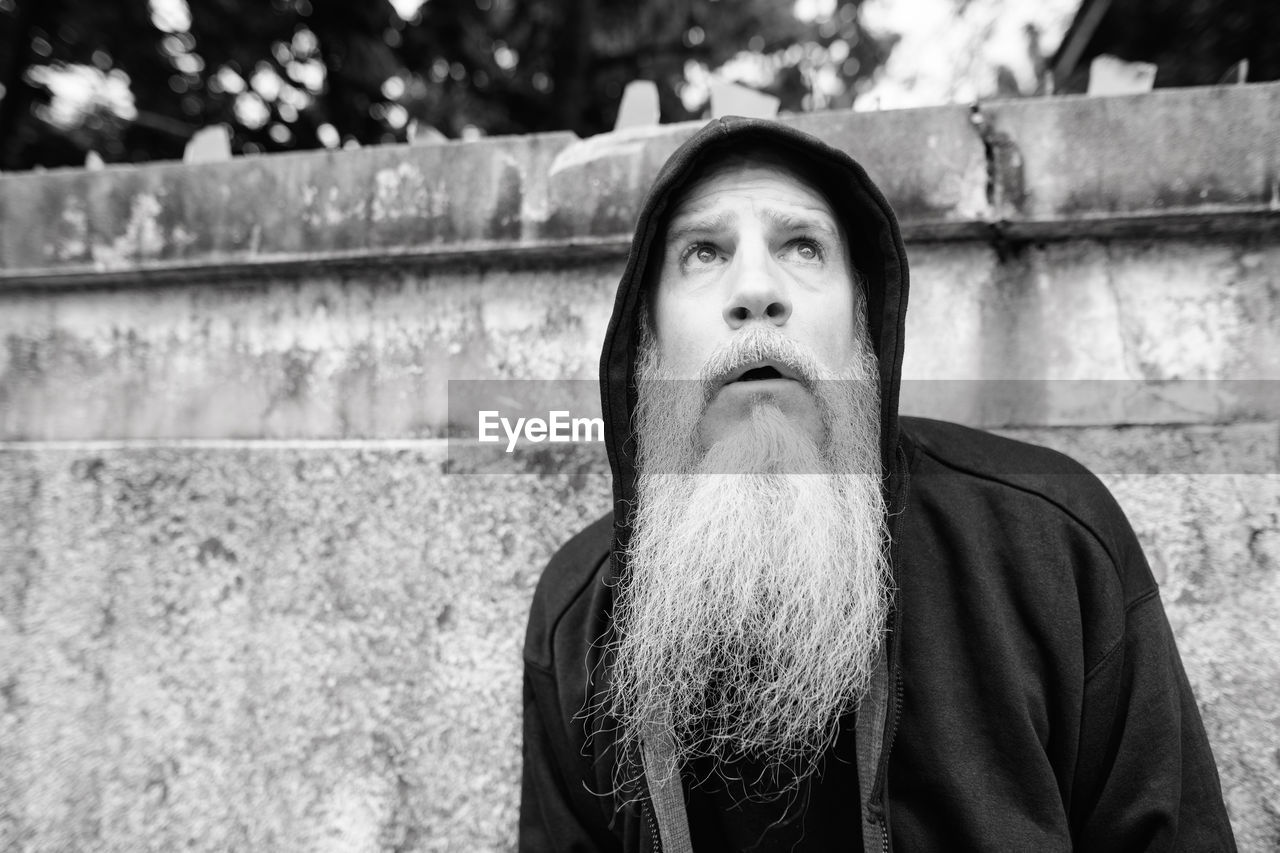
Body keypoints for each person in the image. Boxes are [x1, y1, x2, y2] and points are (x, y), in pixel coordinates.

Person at [519, 117, 1236, 852]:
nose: (757, 289)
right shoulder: (577, 614)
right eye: (704, 252)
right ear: (648, 336)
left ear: (864, 320)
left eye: (803, 246)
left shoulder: (1054, 540)